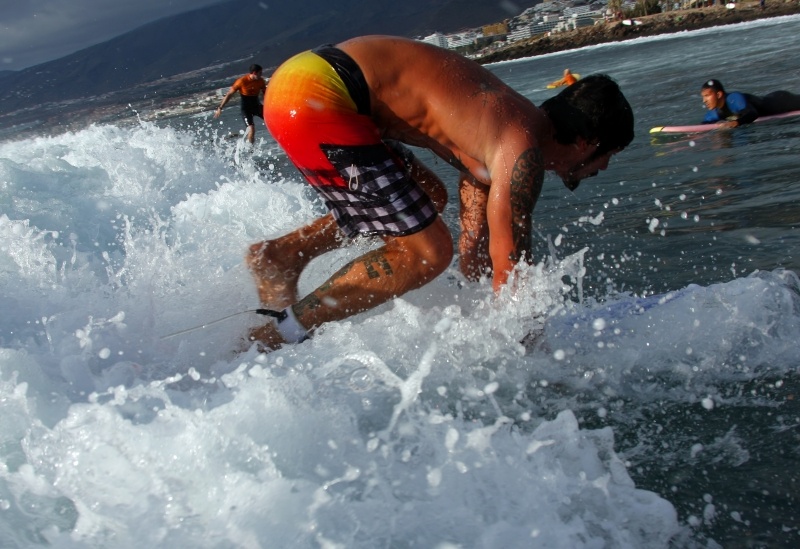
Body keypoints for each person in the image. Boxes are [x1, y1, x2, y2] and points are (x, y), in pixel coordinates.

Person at [246, 35, 634, 350]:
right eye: (609, 156)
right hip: (320, 93)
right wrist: (531, 358)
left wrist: (479, 317)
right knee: (427, 253)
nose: (603, 168)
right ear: (586, 143)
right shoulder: (520, 154)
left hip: (308, 81)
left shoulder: (502, 134)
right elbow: (512, 269)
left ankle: (284, 254)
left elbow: (477, 250)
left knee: (429, 200)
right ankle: (274, 337)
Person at [700, 78, 800, 128]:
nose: (704, 100)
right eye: (703, 97)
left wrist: (735, 123)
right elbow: (704, 125)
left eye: (707, 96)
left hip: (780, 102)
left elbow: (752, 113)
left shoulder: (734, 99)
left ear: (718, 95)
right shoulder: (714, 112)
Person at [214, 64, 267, 144]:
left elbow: (266, 93)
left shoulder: (261, 81)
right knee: (251, 129)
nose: (261, 75)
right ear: (254, 73)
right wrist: (220, 108)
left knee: (272, 120)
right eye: (260, 73)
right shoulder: (241, 81)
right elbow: (229, 94)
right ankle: (251, 148)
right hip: (246, 109)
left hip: (257, 106)